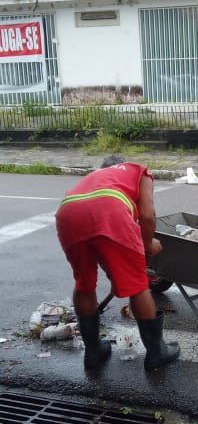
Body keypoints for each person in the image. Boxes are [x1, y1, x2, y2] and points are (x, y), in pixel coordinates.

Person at [55, 155, 180, 371]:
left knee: (84, 283)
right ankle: (156, 352)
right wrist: (147, 244)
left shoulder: (97, 176)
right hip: (109, 211)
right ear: (123, 164)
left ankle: (93, 352)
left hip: (67, 215)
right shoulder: (140, 171)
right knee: (138, 286)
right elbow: (147, 216)